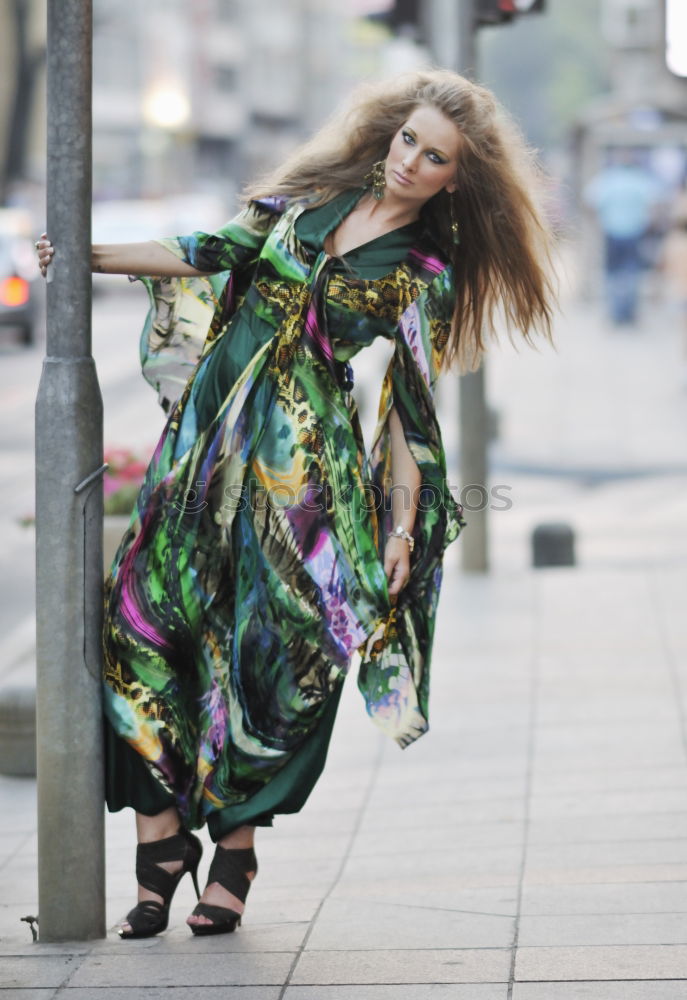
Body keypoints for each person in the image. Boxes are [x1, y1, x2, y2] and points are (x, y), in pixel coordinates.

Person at [36, 69, 555, 940]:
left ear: (454, 179)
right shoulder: (306, 199)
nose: (409, 163)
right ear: (389, 135)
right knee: (142, 626)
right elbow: (211, 249)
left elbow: (409, 415)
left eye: (433, 158)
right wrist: (86, 256)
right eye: (407, 141)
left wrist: (398, 527)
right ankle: (160, 841)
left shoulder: (426, 271)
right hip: (203, 452)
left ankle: (232, 850)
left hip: (302, 482)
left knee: (266, 661)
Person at [584, 150, 664, 326]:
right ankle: (628, 313)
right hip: (635, 232)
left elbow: (590, 203)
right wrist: (650, 225)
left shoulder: (606, 179)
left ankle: (615, 312)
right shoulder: (641, 179)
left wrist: (599, 222)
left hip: (611, 231)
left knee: (611, 273)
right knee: (632, 272)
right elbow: (656, 204)